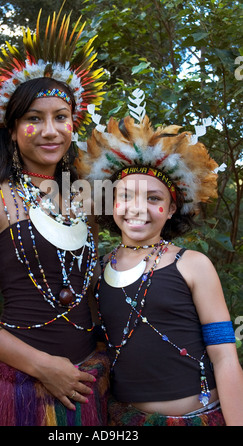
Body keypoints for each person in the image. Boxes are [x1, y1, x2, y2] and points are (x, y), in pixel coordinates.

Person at [0, 7, 109, 426]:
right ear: (12, 128)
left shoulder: (85, 196)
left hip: (83, 382)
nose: (50, 131)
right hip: (14, 389)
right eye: (34, 119)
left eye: (61, 117)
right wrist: (41, 366)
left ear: (75, 124)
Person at [75, 94, 243, 426]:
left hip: (198, 417)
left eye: (154, 198)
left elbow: (224, 357)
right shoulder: (97, 271)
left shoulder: (192, 264)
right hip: (126, 421)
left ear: (169, 210)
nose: (139, 208)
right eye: (126, 196)